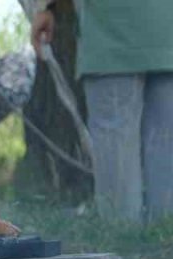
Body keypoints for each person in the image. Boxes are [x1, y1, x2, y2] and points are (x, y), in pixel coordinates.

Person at [33, 0, 173, 222]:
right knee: (167, 140)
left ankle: (122, 240)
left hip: (110, 32)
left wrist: (46, 7)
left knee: (115, 141)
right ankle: (162, 239)